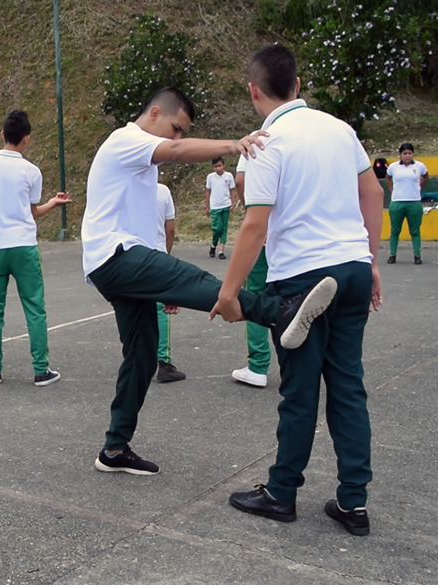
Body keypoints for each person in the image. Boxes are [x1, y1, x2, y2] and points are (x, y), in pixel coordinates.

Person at [81, 87, 339, 476]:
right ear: (154, 114)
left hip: (120, 260)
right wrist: (234, 145)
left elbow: (139, 221)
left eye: (182, 131)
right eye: (175, 128)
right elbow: (176, 153)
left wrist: (162, 283)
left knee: (142, 355)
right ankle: (278, 311)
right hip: (115, 256)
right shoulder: (127, 140)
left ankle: (115, 449)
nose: (177, 138)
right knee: (193, 277)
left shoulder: (138, 159)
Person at [217, 45, 383, 537]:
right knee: (348, 386)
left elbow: (255, 225)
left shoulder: (268, 141)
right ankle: (353, 503)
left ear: (254, 91)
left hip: (304, 277)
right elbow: (372, 193)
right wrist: (370, 260)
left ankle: (281, 492)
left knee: (300, 391)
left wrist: (229, 293)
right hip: (352, 266)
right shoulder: (339, 128)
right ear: (298, 83)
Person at [0, 110, 68, 386]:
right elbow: (32, 211)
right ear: (27, 139)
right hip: (24, 246)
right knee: (34, 307)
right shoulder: (31, 171)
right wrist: (53, 203)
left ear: (2, 135)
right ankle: (40, 369)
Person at [228, 153, 272, 388]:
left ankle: (258, 366)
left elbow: (241, 180)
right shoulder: (313, 139)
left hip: (264, 233)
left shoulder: (255, 142)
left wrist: (250, 208)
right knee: (299, 296)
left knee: (255, 295)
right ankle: (303, 365)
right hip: (296, 236)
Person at [153, 182, 186, 383]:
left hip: (130, 256)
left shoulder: (125, 187)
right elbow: (170, 229)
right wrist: (166, 254)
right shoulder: (162, 191)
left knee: (133, 307)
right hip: (156, 254)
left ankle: (135, 358)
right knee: (160, 310)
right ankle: (163, 363)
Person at [385, 143, 429, 264]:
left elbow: (425, 176)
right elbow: (387, 178)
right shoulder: (393, 167)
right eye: (405, 153)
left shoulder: (419, 166)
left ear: (413, 154)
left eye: (410, 153)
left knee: (415, 231)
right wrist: (391, 189)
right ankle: (392, 254)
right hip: (397, 202)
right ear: (400, 155)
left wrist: (420, 187)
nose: (407, 156)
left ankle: (417, 255)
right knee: (395, 230)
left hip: (414, 202)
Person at [205, 157, 236, 259]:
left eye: (219, 166)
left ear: (223, 165)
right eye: (215, 166)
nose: (218, 168)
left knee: (224, 228)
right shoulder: (210, 177)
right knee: (217, 228)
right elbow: (208, 191)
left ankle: (221, 250)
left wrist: (233, 202)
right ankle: (213, 245)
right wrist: (207, 206)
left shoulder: (228, 176)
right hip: (215, 206)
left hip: (226, 204)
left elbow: (232, 190)